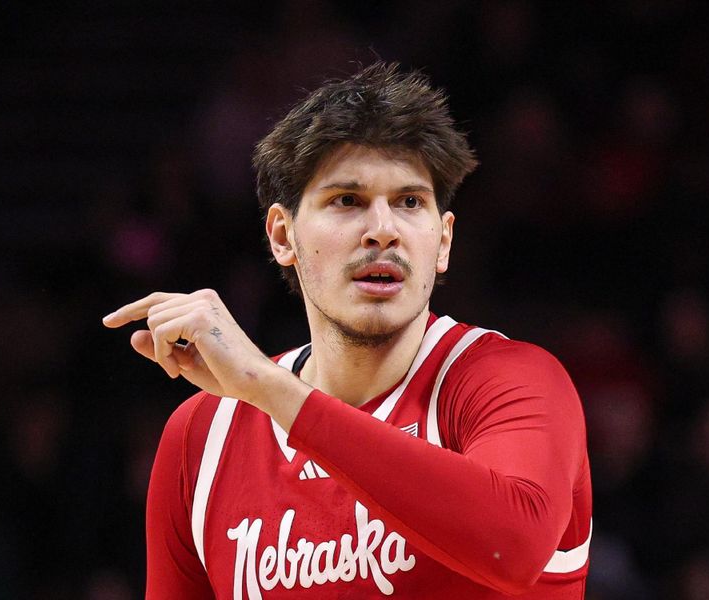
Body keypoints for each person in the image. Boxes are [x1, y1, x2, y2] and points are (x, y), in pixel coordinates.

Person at [103, 62, 592, 599]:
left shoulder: (510, 379)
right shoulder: (203, 435)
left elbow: (513, 546)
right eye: (347, 201)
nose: (383, 230)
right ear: (282, 236)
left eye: (410, 202)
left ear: (444, 240)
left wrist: (267, 387)